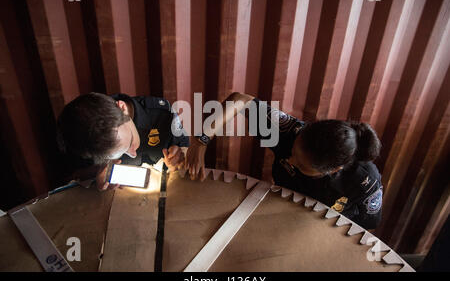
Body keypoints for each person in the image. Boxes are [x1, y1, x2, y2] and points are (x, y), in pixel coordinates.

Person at [185, 92, 383, 230]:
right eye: (294, 151)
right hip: (279, 210)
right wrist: (200, 141)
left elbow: (367, 227)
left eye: (301, 165)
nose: (289, 160)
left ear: (333, 170)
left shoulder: (364, 181)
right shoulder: (291, 131)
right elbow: (240, 100)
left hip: (320, 229)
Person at [57, 92, 189, 190]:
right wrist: (96, 174)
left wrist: (180, 158)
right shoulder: (79, 141)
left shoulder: (162, 115)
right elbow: (72, 177)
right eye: (121, 153)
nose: (133, 154)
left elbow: (184, 149)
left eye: (130, 142)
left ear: (122, 108)